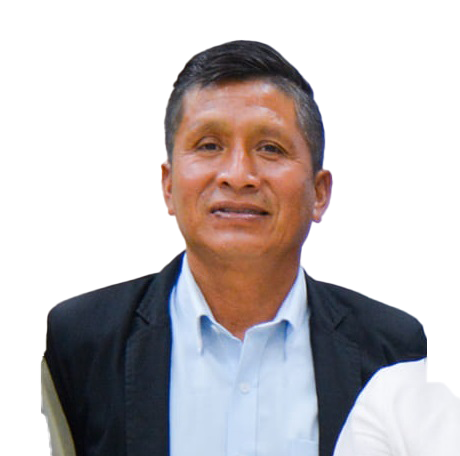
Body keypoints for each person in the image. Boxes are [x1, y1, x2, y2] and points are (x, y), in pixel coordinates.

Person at [42, 40, 428, 456]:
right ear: (168, 186)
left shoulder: (393, 351)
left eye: (270, 148)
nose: (238, 175)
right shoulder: (82, 343)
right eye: (209, 145)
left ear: (319, 193)